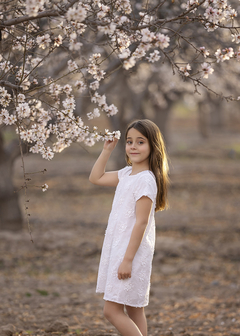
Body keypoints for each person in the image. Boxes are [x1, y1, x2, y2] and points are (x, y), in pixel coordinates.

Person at [89, 119, 169, 336]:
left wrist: (127, 259)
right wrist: (107, 150)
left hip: (130, 252)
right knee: (134, 309)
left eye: (140, 142)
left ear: (153, 146)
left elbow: (141, 222)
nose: (133, 146)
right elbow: (95, 177)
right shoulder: (126, 174)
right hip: (120, 247)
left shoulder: (145, 180)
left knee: (111, 311)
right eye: (129, 141)